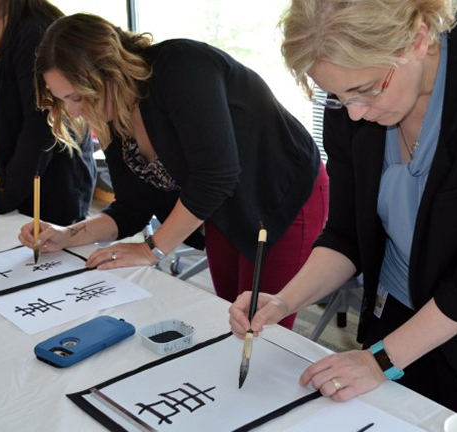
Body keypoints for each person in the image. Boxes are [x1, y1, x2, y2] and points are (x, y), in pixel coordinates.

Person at [229, 0, 457, 428]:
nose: (353, 113)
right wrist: (283, 300)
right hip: (394, 312)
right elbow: (346, 235)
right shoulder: (349, 99)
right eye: (336, 96)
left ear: (419, 38)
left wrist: (380, 361)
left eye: (367, 89)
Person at [18, 13, 329, 329]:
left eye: (78, 96)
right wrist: (65, 235)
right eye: (63, 100)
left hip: (281, 193)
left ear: (108, 71)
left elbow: (215, 175)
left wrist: (151, 249)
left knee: (260, 325)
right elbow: (131, 208)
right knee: (232, 316)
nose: (73, 111)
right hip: (220, 206)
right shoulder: (111, 109)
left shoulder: (182, 67)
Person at [0, 0, 96, 224]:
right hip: (2, 203)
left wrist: (6, 198)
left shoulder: (34, 32)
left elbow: (42, 124)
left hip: (43, 203)